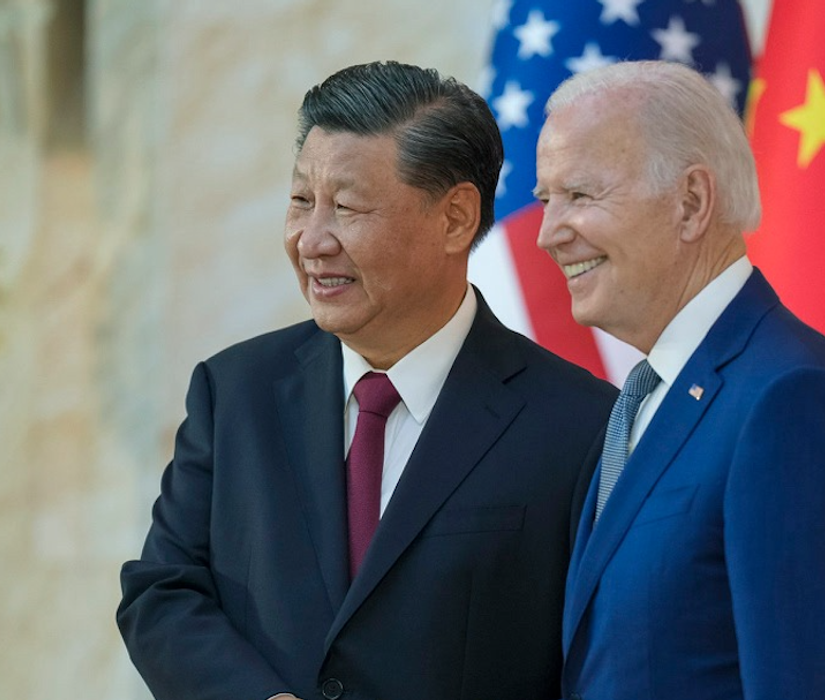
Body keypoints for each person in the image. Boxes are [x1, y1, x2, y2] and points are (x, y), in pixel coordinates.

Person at [117, 61, 616, 700]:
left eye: (347, 207)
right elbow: (162, 591)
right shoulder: (235, 391)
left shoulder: (580, 426)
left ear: (456, 218)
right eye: (302, 201)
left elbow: (597, 659)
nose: (311, 241)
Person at [534, 60, 825, 700]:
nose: (547, 234)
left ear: (691, 203)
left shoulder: (792, 401)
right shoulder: (644, 398)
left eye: (581, 196)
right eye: (547, 199)